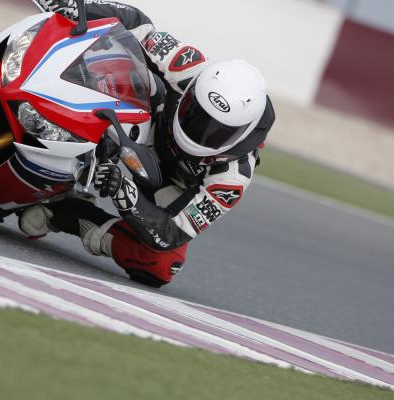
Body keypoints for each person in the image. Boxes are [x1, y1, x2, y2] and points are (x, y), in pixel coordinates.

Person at [19, 0, 276, 287]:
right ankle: (38, 101)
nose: (199, 129)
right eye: (196, 111)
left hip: (164, 184)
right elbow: (138, 23)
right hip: (146, 118)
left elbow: (172, 233)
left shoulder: (232, 178)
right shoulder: (189, 66)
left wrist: (125, 193)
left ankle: (67, 213)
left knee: (161, 264)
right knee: (118, 59)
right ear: (194, 89)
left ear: (242, 134)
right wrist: (77, 6)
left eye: (216, 131)